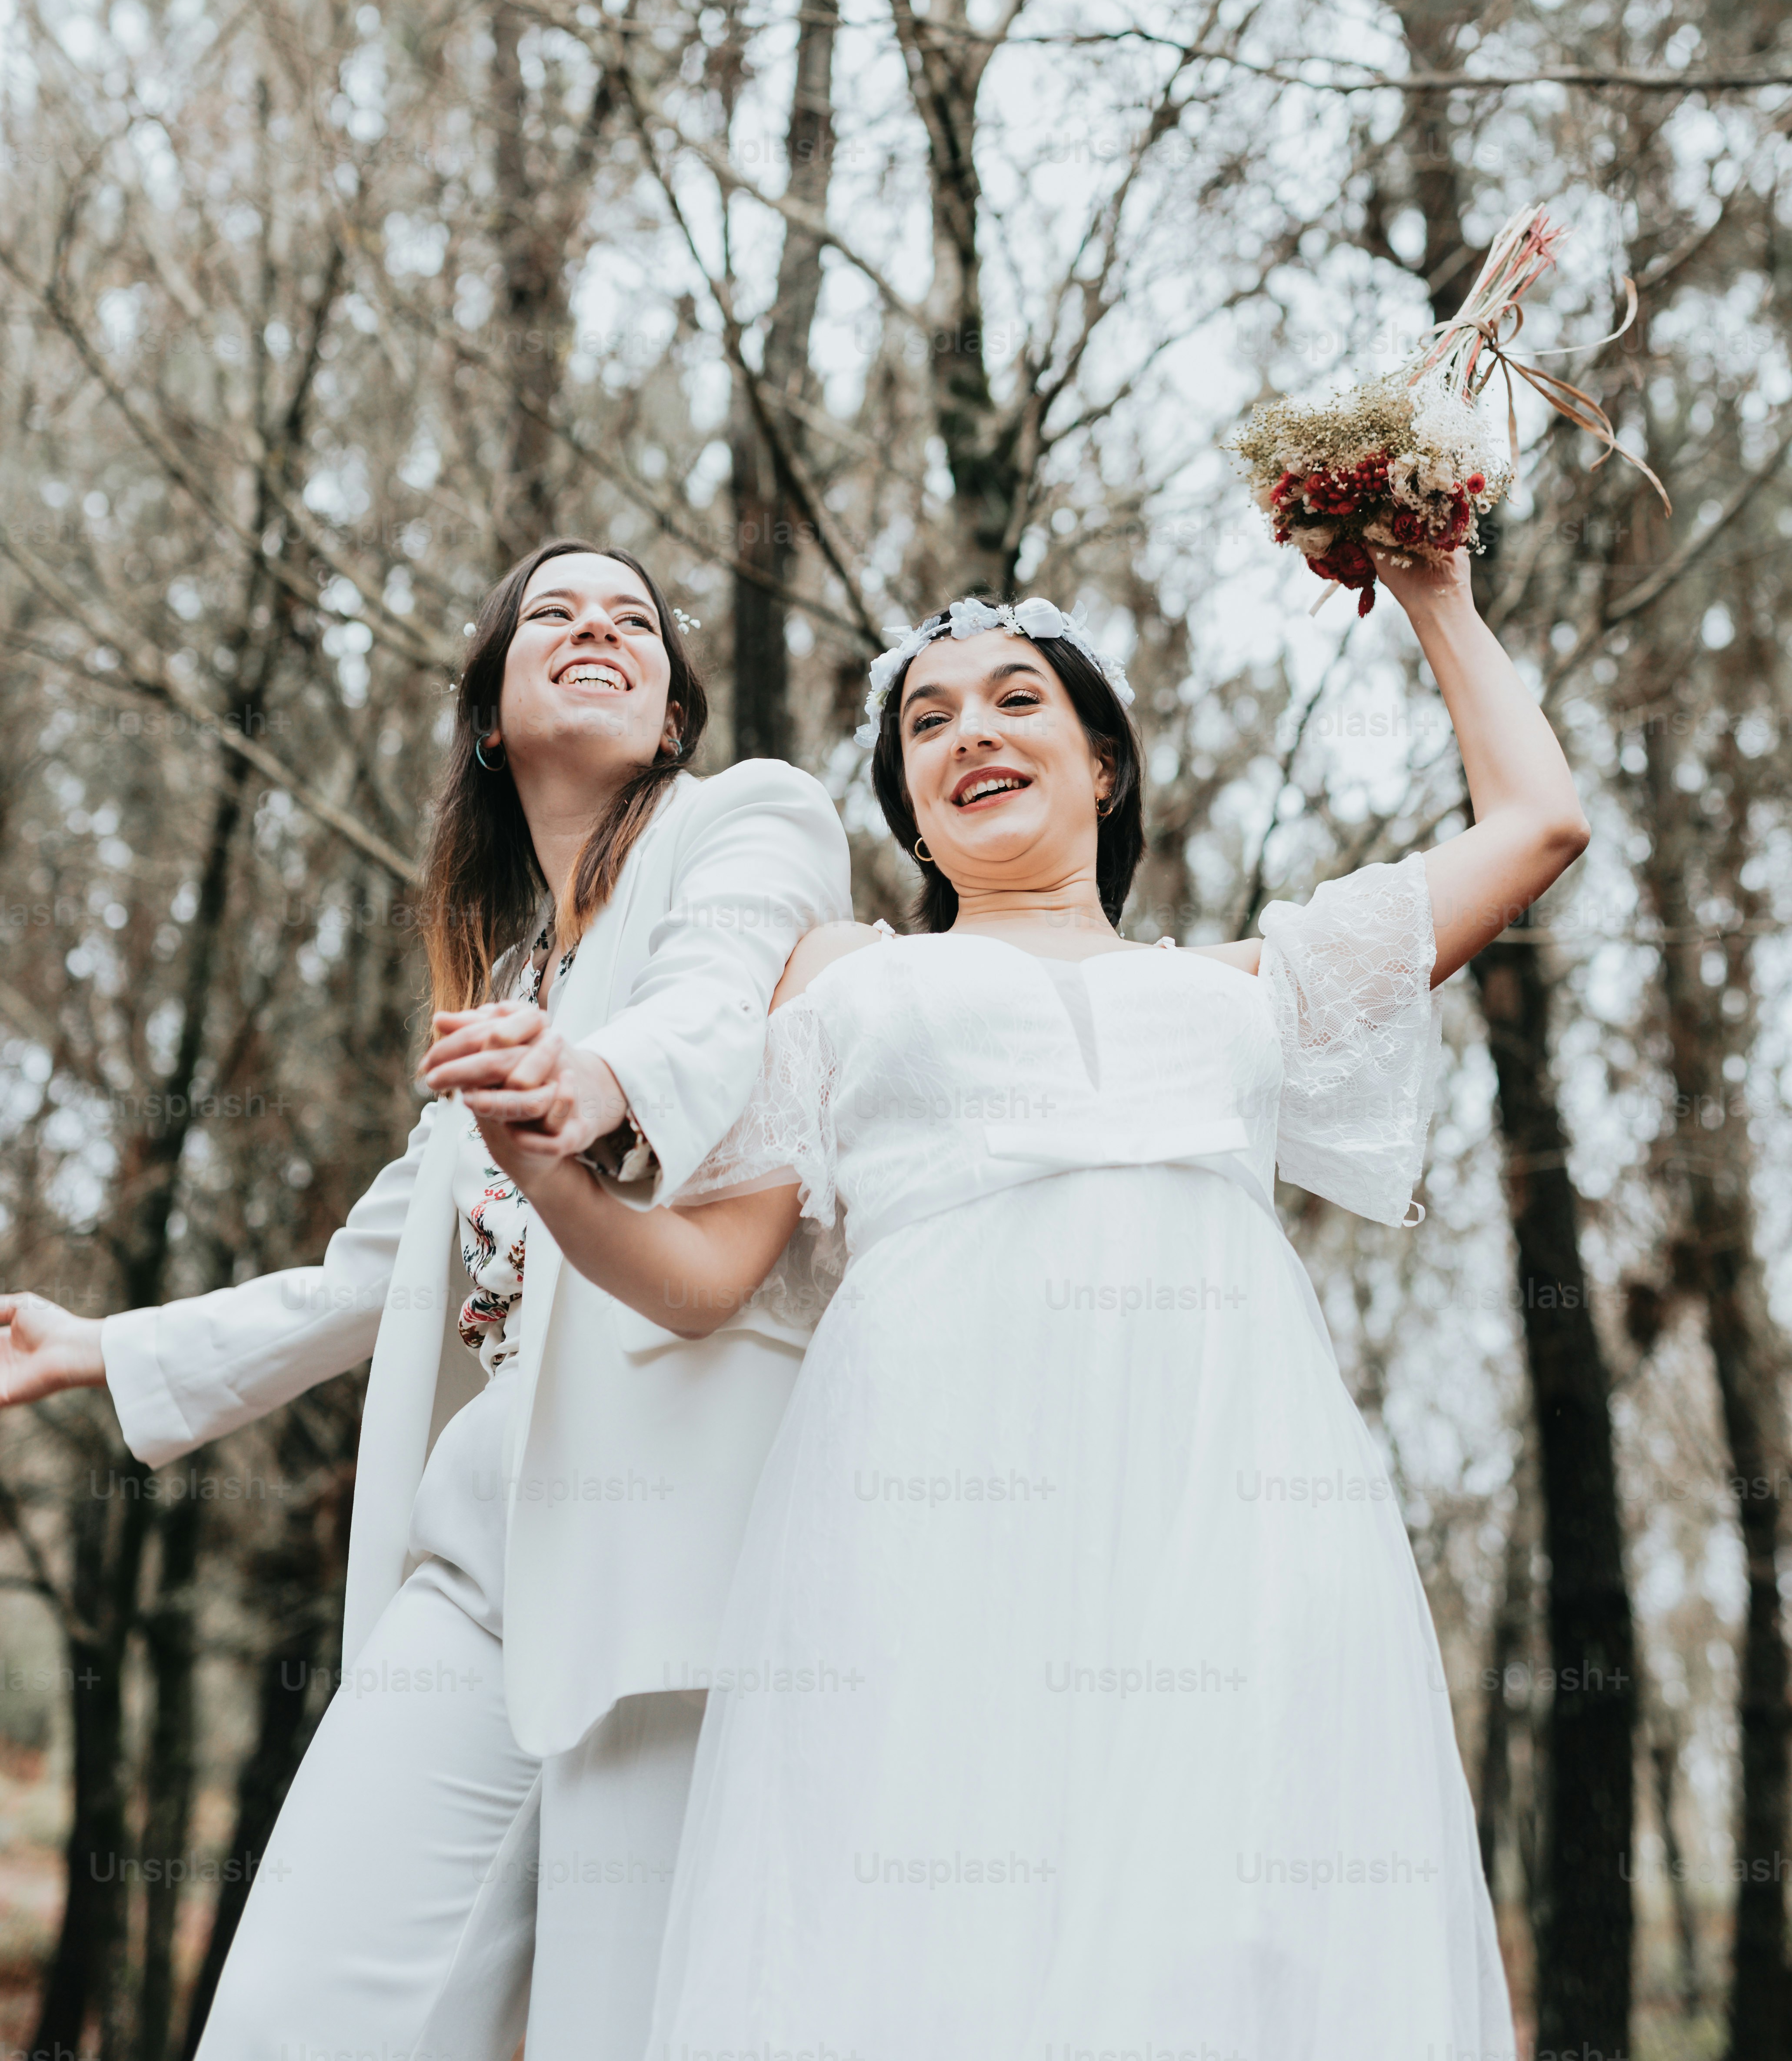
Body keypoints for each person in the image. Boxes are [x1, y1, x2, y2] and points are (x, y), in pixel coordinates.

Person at [478, 548, 1582, 2058]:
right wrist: (552, 1178)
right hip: (930, 1513)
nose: (971, 734)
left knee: (1231, 1913)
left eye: (1016, 700)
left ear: (1103, 762)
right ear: (908, 802)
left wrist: (1434, 589)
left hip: (1232, 1513)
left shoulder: (1244, 989)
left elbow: (1536, 823)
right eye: (926, 724)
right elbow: (701, 1279)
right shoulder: (847, 979)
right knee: (938, 1909)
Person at [0, 538, 851, 2061]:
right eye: (553, 614)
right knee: (284, 2022)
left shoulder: (751, 820)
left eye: (632, 620)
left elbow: (716, 994)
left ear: (669, 716)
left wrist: (596, 1082)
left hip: (675, 1577)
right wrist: (106, 1344)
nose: (596, 627)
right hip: (472, 1570)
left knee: (621, 2027)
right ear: (487, 713)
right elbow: (367, 1274)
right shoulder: (507, 977)